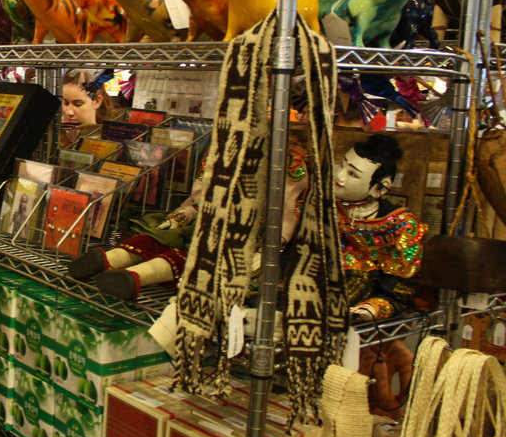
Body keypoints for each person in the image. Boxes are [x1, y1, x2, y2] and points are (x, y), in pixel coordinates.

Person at [68, 141, 309, 301]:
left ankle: (132, 277)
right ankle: (107, 260)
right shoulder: (222, 145)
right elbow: (197, 200)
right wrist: (182, 215)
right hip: (201, 224)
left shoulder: (286, 156)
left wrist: (269, 248)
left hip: (237, 238)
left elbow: (287, 211)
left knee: (186, 258)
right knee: (152, 238)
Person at [334, 133, 425, 320]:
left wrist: (377, 305)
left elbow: (402, 281)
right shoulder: (320, 207)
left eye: (352, 173)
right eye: (341, 165)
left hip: (365, 303)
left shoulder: (401, 225)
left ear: (380, 188)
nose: (339, 175)